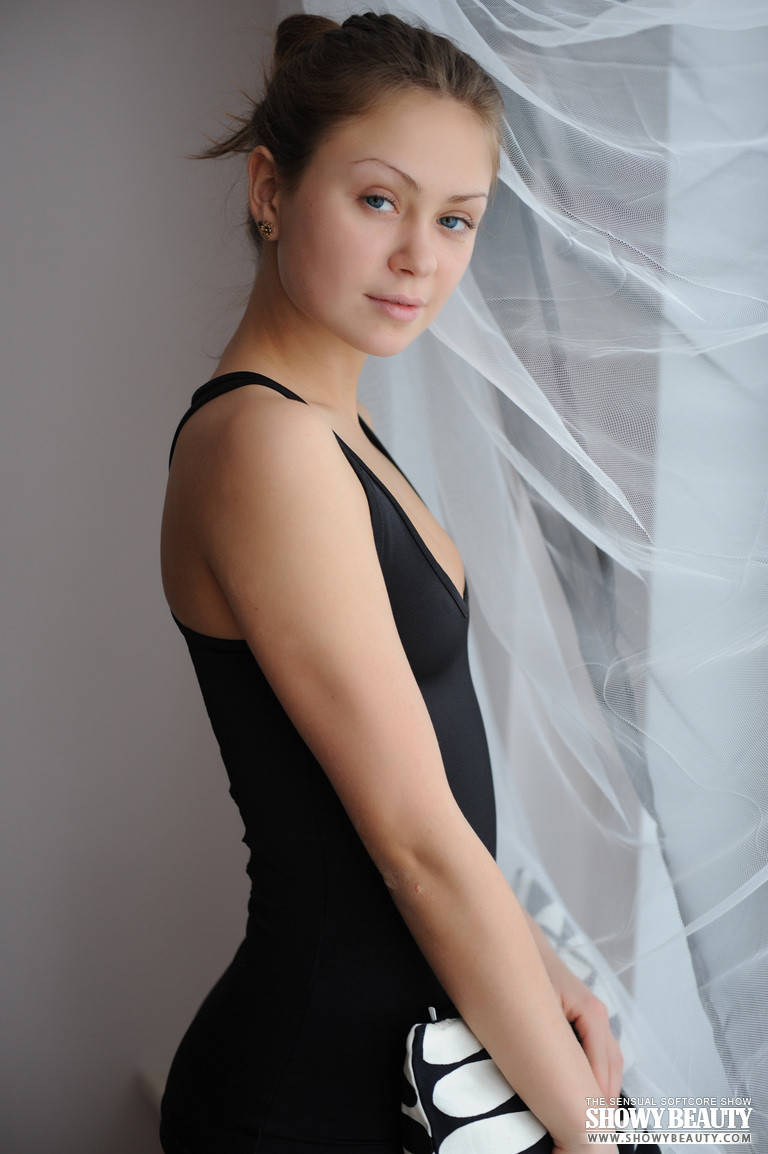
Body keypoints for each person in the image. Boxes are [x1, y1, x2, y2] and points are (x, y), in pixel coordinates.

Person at [159, 13, 622, 1154]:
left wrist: (546, 967)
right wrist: (594, 1137)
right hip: (310, 1101)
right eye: (380, 200)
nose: (422, 255)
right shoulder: (266, 446)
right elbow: (414, 843)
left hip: (414, 1073)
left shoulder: (335, 429)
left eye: (456, 218)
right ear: (270, 189)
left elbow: (432, 806)